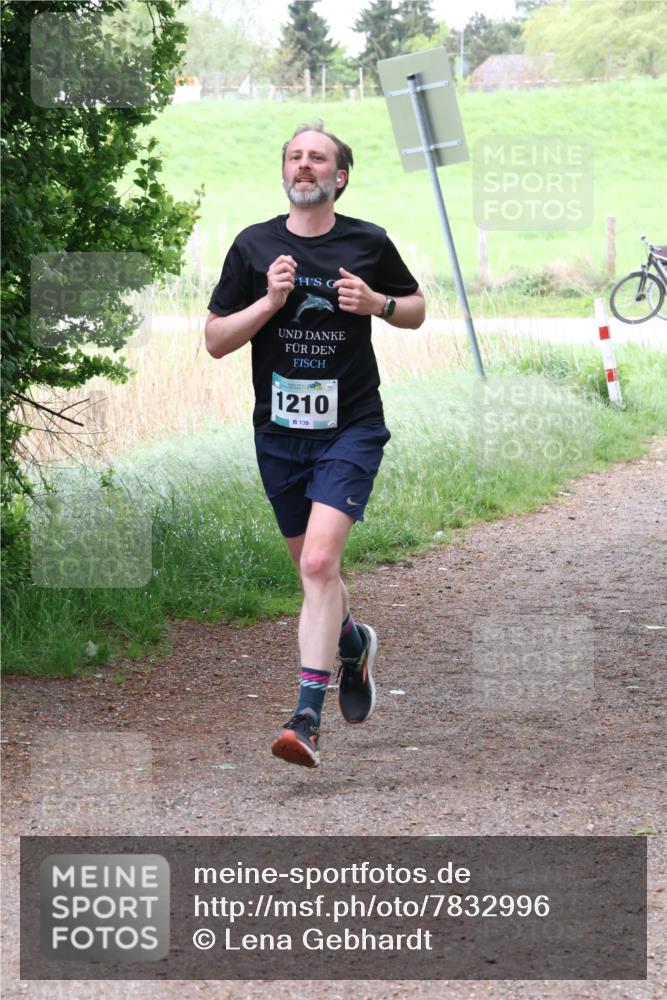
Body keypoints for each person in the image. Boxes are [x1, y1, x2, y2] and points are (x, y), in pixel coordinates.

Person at [205, 121, 425, 768]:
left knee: (317, 564)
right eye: (295, 157)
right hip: (278, 435)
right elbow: (217, 340)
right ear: (285, 172)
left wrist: (377, 304)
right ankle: (352, 643)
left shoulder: (366, 241)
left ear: (339, 176)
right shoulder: (253, 246)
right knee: (314, 571)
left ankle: (305, 717)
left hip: (350, 428)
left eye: (317, 158)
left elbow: (414, 308)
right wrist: (270, 302)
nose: (304, 166)